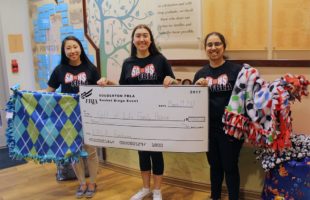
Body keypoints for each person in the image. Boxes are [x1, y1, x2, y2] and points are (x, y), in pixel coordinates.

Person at [118, 24, 177, 200]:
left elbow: (173, 82)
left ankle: (157, 190)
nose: (142, 39)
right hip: (137, 117)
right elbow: (123, 89)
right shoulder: (128, 63)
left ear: (150, 39)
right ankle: (145, 188)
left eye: (145, 35)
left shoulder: (160, 60)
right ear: (133, 40)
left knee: (156, 153)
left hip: (157, 117)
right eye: (138, 36)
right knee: (142, 153)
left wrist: (170, 80)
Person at [47, 35, 106, 198]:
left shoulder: (90, 68)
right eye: (68, 48)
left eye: (75, 46)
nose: (72, 50)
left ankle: (92, 182)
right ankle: (82, 183)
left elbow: (98, 91)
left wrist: (102, 83)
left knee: (91, 151)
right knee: (74, 152)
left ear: (80, 48)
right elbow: (49, 93)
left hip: (88, 117)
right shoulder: (59, 70)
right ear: (64, 51)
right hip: (68, 119)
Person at [193, 32, 243, 200]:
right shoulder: (200, 74)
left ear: (224, 46)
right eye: (209, 45)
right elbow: (193, 102)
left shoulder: (237, 70)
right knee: (214, 166)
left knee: (230, 166)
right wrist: (197, 88)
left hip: (230, 129)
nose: (213, 48)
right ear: (205, 48)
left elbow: (246, 97)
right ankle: (215, 197)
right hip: (208, 129)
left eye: (217, 44)